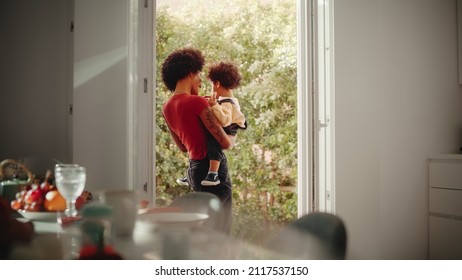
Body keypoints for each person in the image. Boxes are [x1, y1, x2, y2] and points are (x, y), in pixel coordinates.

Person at [161, 47, 235, 232]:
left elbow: (182, 147)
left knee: (203, 228)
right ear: (190, 72)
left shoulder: (167, 106)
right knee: (220, 230)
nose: (201, 81)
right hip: (213, 172)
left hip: (194, 170)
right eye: (199, 74)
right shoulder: (197, 102)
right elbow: (225, 143)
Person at [179, 62, 246, 186]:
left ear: (217, 84)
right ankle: (191, 173)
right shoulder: (224, 101)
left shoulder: (229, 103)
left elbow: (225, 120)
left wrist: (214, 105)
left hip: (228, 131)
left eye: (212, 86)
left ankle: (213, 173)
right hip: (225, 129)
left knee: (212, 142)